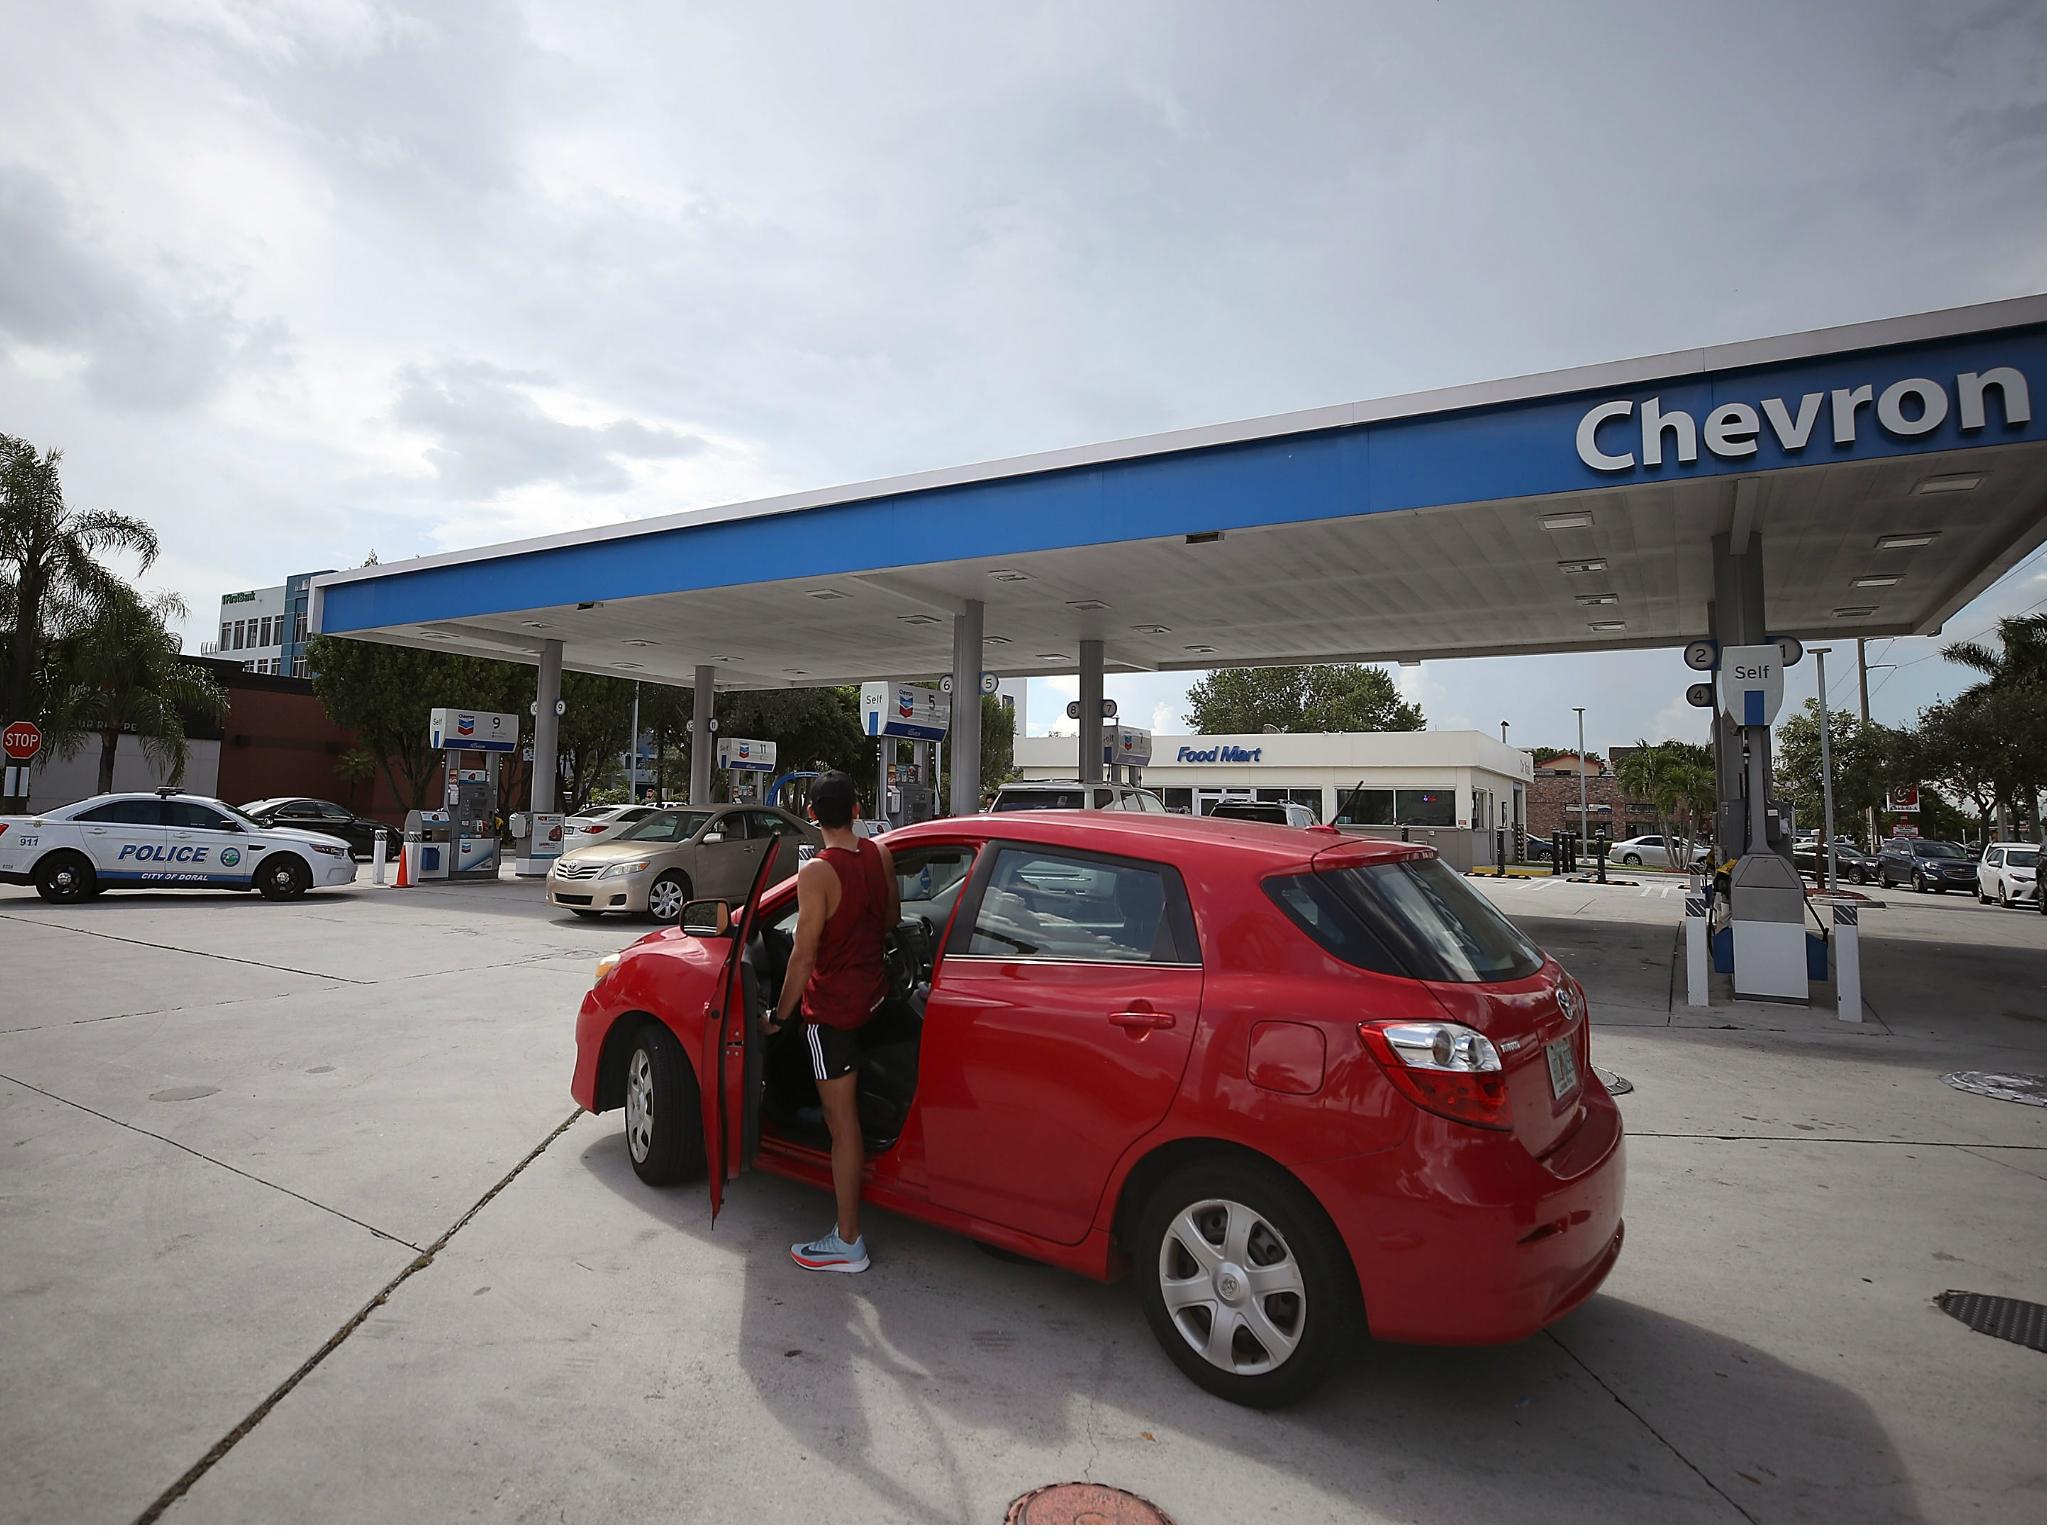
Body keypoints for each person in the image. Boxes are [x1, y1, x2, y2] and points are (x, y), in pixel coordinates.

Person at [765, 770, 897, 1273]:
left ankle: (848, 1242)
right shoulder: (879, 855)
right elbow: (889, 918)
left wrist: (777, 1017)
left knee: (843, 1128)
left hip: (832, 1014)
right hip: (874, 1000)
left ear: (815, 815)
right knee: (847, 1115)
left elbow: (802, 956)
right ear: (859, 809)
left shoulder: (817, 873)